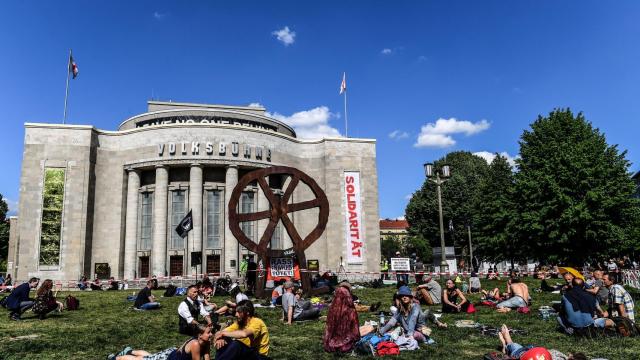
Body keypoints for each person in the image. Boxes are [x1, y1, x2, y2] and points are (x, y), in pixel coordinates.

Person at [108, 323, 212, 360]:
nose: (211, 334)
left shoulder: (204, 342)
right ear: (200, 335)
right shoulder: (195, 344)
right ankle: (115, 358)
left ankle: (129, 351)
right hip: (167, 358)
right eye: (208, 333)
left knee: (148, 357)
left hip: (171, 354)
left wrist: (207, 348)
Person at [323, 283, 361, 353]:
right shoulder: (350, 311)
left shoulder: (332, 309)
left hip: (330, 342)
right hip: (345, 341)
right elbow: (355, 332)